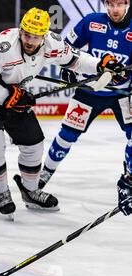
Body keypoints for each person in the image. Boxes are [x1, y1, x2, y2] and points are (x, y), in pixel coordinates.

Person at [0, 7, 122, 218]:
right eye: (26, 34)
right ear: (20, 31)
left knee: (34, 143)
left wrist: (100, 64)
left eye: (36, 36)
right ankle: (2, 193)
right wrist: (8, 97)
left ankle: (30, 190)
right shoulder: (2, 47)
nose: (30, 40)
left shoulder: (52, 43)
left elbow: (75, 60)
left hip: (15, 95)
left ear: (44, 35)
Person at [39, 0, 132, 190]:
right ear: (105, 4)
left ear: (128, 4)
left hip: (122, 94)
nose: (115, 9)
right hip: (90, 91)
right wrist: (67, 66)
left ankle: (129, 176)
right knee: (66, 136)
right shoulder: (91, 21)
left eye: (120, 5)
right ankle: (42, 176)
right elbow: (67, 47)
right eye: (111, 4)